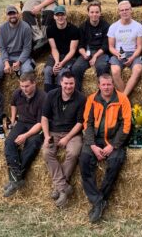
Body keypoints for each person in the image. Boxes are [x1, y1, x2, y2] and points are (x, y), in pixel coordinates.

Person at [79, 74, 132, 223]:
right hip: (95, 140)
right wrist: (92, 145)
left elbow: (126, 125)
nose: (106, 87)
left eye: (109, 84)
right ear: (98, 85)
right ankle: (99, 201)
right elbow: (87, 123)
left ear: (113, 84)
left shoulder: (122, 99)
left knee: (115, 161)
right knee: (84, 160)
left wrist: (113, 145)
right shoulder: (92, 99)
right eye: (103, 85)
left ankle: (100, 199)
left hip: (114, 141)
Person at [41, 71, 86, 207]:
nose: (68, 86)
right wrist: (47, 135)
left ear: (75, 83)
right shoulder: (51, 95)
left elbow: (80, 123)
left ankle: (59, 188)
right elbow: (44, 118)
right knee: (47, 153)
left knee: (73, 153)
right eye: (66, 83)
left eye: (71, 83)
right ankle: (64, 188)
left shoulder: (81, 98)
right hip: (53, 131)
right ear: (61, 83)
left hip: (72, 133)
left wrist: (67, 138)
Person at [3, 73, 45, 197]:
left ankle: (14, 179)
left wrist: (25, 136)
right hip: (22, 122)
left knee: (32, 144)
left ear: (34, 83)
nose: (24, 89)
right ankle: (17, 179)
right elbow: (13, 104)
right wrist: (13, 119)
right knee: (9, 142)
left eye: (27, 86)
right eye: (22, 86)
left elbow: (41, 123)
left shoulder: (43, 97)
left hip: (37, 125)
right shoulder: (18, 93)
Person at [108, 0, 142, 97]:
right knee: (114, 71)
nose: (124, 12)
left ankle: (123, 97)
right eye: (122, 10)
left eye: (127, 9)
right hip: (118, 53)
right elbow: (111, 47)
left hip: (133, 53)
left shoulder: (138, 26)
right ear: (119, 12)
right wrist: (117, 54)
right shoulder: (113, 27)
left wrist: (132, 58)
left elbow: (140, 46)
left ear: (131, 10)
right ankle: (126, 98)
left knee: (138, 69)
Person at [0, 5, 35, 85]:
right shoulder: (2, 28)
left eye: (14, 13)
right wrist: (6, 63)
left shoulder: (26, 27)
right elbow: (2, 48)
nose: (12, 16)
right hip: (8, 56)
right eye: (9, 14)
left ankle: (25, 95)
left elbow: (27, 48)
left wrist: (19, 62)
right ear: (6, 16)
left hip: (22, 56)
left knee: (28, 72)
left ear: (18, 14)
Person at [71, 0, 110, 91]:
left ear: (100, 13)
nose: (94, 14)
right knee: (76, 68)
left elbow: (105, 45)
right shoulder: (83, 26)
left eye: (97, 12)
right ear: (88, 13)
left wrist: (95, 56)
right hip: (86, 52)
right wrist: (84, 55)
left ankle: (102, 93)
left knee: (102, 67)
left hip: (101, 53)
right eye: (92, 12)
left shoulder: (106, 26)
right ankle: (77, 95)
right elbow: (80, 45)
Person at [43, 5, 80, 92]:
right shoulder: (50, 29)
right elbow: (54, 48)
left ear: (66, 16)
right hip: (56, 55)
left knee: (62, 73)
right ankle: (47, 97)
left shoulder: (74, 30)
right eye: (58, 15)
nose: (60, 17)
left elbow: (72, 50)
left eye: (62, 15)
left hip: (69, 56)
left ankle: (58, 97)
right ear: (54, 17)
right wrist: (56, 62)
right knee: (47, 71)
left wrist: (61, 63)